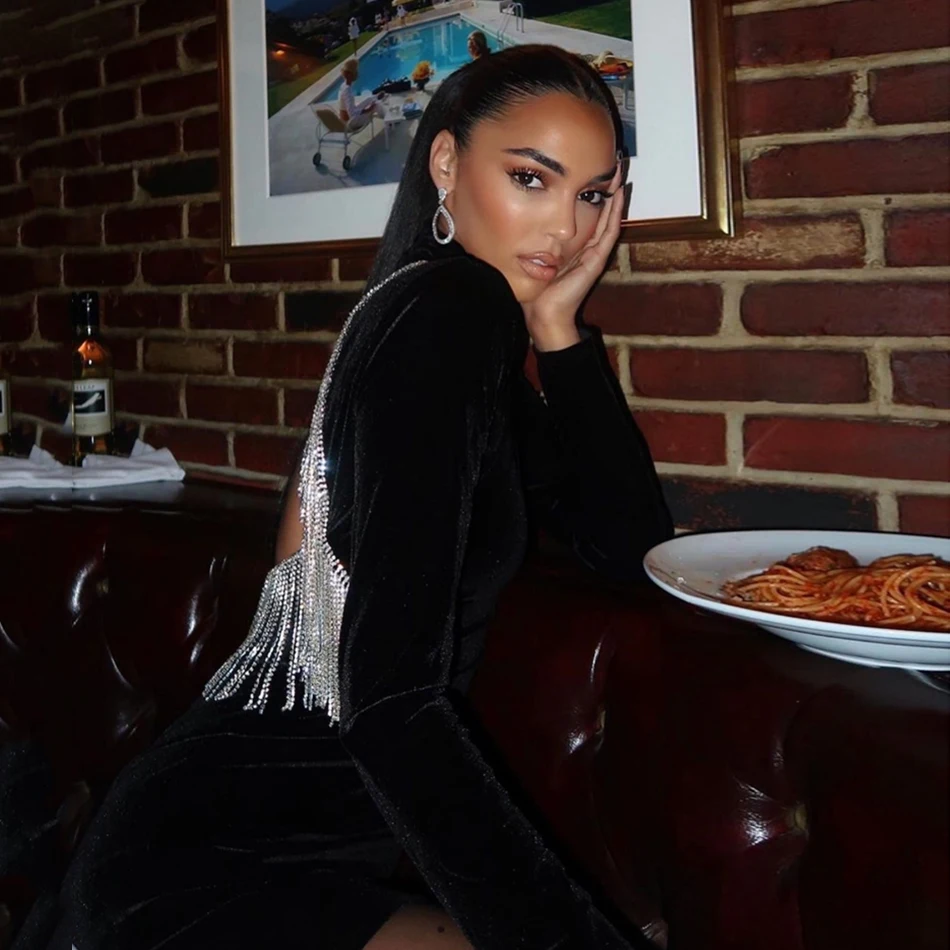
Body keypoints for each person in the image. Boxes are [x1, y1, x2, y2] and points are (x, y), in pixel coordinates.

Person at [56, 45, 672, 950]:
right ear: (446, 163)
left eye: (590, 195)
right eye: (531, 179)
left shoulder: (442, 322)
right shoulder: (449, 314)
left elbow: (628, 547)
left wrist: (558, 327)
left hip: (277, 840)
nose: (568, 229)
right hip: (220, 863)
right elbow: (393, 702)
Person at [338, 58, 385, 131]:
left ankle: (376, 97)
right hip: (350, 122)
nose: (357, 73)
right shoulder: (347, 90)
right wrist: (368, 109)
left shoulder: (344, 85)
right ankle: (388, 120)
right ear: (350, 74)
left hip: (347, 119)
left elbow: (349, 108)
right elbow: (352, 113)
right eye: (356, 71)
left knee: (370, 99)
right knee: (376, 105)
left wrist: (369, 103)